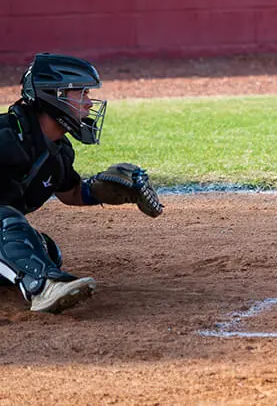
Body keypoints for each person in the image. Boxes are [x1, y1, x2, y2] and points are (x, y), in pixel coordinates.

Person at [0, 53, 163, 314]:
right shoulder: (7, 136)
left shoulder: (59, 153)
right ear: (56, 96)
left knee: (44, 251)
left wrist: (105, 190)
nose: (89, 103)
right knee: (6, 223)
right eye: (82, 93)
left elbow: (71, 192)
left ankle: (37, 271)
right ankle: (43, 287)